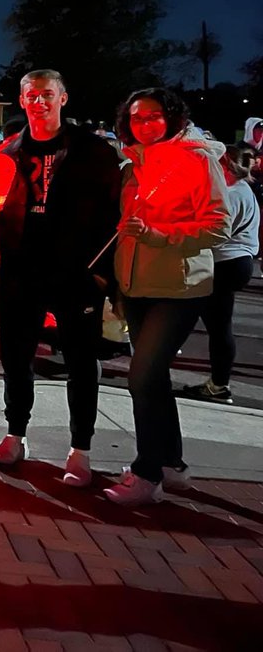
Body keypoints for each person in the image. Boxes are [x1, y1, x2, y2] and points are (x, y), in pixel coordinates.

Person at [0, 69, 122, 486]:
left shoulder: (92, 150)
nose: (38, 102)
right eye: (30, 95)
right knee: (15, 354)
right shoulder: (9, 152)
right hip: (21, 268)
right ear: (21, 101)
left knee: (81, 359)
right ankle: (15, 433)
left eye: (47, 94)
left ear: (63, 98)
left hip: (75, 271)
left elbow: (112, 214)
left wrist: (100, 273)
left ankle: (81, 447)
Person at [103, 88, 230, 505]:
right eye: (137, 118)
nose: (145, 124)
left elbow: (217, 226)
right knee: (152, 378)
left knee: (141, 375)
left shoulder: (197, 159)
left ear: (172, 117)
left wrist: (161, 236)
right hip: (137, 285)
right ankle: (172, 463)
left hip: (179, 286)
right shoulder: (134, 162)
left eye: (154, 116)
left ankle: (147, 473)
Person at [179, 145, 259, 405]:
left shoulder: (231, 195)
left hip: (226, 263)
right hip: (237, 262)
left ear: (226, 167)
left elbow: (215, 232)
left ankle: (218, 384)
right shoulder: (244, 191)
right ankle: (218, 383)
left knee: (203, 319)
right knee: (217, 324)